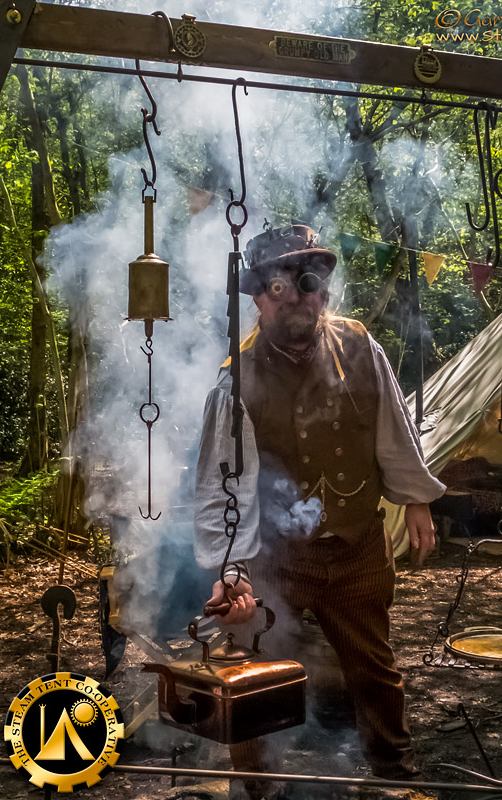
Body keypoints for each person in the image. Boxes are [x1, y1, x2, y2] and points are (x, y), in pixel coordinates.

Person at [194, 223, 446, 800]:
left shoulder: (360, 346)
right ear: (258, 297)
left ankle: (393, 772)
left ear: (324, 289)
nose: (301, 296)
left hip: (357, 544)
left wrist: (415, 499)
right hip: (279, 559)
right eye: (281, 286)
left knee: (373, 667)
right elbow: (221, 488)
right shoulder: (238, 378)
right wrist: (231, 569)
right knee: (255, 668)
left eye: (310, 282)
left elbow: (392, 430)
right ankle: (255, 784)